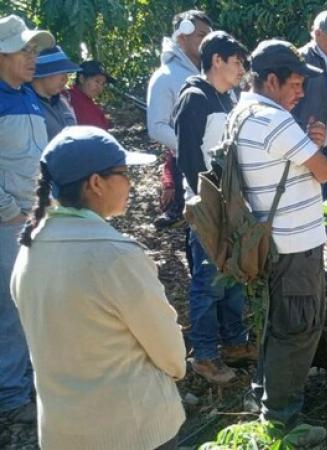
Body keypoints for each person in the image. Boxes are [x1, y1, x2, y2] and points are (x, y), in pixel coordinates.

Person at [11, 126, 186, 450]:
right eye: (123, 173)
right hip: (133, 431)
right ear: (95, 183)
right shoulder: (116, 256)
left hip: (62, 433)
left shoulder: (29, 250)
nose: (130, 184)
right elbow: (171, 354)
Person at [234, 39, 327, 445]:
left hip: (272, 243)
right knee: (298, 327)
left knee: (279, 323)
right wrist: (318, 148)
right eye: (294, 84)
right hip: (294, 247)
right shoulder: (274, 120)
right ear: (270, 80)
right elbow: (323, 172)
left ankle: (267, 397)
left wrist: (311, 147)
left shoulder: (241, 112)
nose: (300, 93)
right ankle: (282, 422)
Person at [173, 31, 254, 383]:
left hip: (232, 202)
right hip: (208, 206)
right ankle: (204, 354)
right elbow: (190, 159)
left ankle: (235, 343)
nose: (241, 70)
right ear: (216, 61)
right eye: (236, 62)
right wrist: (207, 204)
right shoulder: (194, 99)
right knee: (207, 281)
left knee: (232, 274)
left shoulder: (228, 98)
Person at [0, 13, 54, 425]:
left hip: (32, 217)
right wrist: (8, 211)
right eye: (24, 50)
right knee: (11, 308)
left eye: (33, 49)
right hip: (7, 223)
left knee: (33, 302)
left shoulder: (28, 95)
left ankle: (31, 382)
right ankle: (11, 395)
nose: (32, 56)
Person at [147, 9, 213, 228]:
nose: (206, 41)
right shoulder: (165, 76)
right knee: (198, 224)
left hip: (217, 161)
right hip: (187, 163)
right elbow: (157, 127)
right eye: (201, 35)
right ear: (181, 37)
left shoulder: (209, 72)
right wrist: (191, 146)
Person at [292, 10, 327, 207]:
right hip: (310, 153)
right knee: (309, 214)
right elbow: (287, 104)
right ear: (317, 34)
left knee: (325, 216)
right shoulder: (302, 60)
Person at [31, 45, 79, 140]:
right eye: (61, 73)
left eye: (67, 74)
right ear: (44, 73)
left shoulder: (63, 101)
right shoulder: (26, 104)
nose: (65, 79)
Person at [68, 60, 114, 129]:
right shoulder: (67, 99)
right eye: (97, 81)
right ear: (82, 79)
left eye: (103, 84)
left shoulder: (94, 107)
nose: (100, 87)